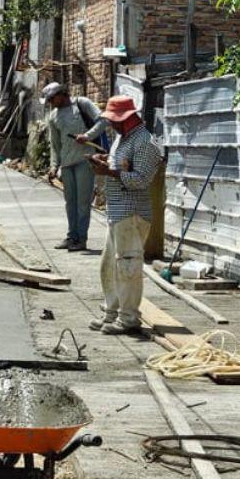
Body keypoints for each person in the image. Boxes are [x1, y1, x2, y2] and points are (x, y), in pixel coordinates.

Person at [87, 95, 163, 335]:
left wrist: (110, 172)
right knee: (110, 266)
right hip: (117, 211)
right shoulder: (123, 137)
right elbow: (119, 166)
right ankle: (112, 312)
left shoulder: (144, 142)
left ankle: (128, 318)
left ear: (127, 119)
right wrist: (105, 162)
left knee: (128, 267)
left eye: (114, 120)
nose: (111, 125)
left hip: (132, 213)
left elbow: (141, 180)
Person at [42, 82, 107, 251]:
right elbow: (55, 145)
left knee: (83, 203)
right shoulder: (53, 116)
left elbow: (103, 121)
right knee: (70, 203)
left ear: (62, 94)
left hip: (85, 161)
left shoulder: (82, 103)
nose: (50, 102)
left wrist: (87, 136)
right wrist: (53, 166)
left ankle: (81, 239)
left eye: (52, 98)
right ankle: (71, 237)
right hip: (66, 164)